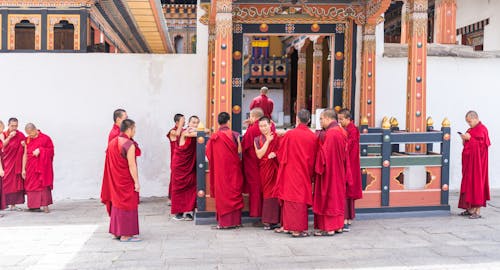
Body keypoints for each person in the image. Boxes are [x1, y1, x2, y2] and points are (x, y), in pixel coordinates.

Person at [274, 109, 317, 237]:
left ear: (297, 119)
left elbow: (280, 154)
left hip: (290, 171)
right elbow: (315, 156)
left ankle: (291, 228)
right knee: (300, 198)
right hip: (304, 171)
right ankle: (294, 228)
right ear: (309, 120)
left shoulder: (290, 134)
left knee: (290, 198)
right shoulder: (312, 136)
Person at [101, 119, 141, 242]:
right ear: (129, 129)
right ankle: (126, 235)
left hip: (116, 179)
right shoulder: (128, 144)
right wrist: (136, 182)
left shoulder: (113, 142)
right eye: (134, 129)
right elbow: (132, 165)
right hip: (126, 180)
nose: (135, 131)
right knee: (128, 203)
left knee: (117, 204)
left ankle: (116, 232)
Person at [206, 112, 244, 229]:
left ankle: (224, 223)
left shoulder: (214, 137)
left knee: (223, 194)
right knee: (234, 192)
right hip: (234, 170)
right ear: (229, 121)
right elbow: (239, 152)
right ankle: (236, 221)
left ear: (218, 122)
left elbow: (208, 154)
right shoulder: (235, 135)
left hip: (221, 172)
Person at [313, 109, 348, 236]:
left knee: (329, 198)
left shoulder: (331, 133)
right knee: (337, 197)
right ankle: (338, 226)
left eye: (321, 119)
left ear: (328, 119)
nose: (320, 121)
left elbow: (324, 155)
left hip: (330, 172)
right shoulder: (341, 131)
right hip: (339, 170)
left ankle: (329, 228)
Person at [458, 111, 490, 219]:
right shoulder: (470, 130)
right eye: (467, 122)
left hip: (478, 164)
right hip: (470, 163)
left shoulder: (482, 130)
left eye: (470, 121)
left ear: (475, 118)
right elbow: (467, 144)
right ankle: (470, 209)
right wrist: (464, 139)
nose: (469, 124)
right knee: (468, 183)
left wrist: (470, 139)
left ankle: (477, 211)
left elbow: (481, 146)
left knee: (477, 184)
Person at [170, 116, 200, 221]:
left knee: (192, 185)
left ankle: (189, 211)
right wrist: (200, 129)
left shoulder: (195, 131)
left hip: (190, 164)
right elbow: (198, 133)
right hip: (180, 164)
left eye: (197, 123)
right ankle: (179, 213)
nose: (195, 124)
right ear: (189, 123)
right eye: (193, 122)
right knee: (179, 188)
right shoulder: (185, 132)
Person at [254, 116, 281, 230]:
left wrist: (276, 154)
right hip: (265, 169)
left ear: (270, 125)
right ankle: (268, 221)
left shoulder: (278, 136)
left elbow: (284, 150)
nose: (263, 128)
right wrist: (268, 141)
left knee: (277, 192)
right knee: (267, 193)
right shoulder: (257, 139)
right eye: (261, 126)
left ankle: (278, 220)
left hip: (276, 168)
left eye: (265, 125)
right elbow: (259, 155)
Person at [338, 109, 362, 231]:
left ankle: (346, 220)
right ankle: (348, 218)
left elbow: (347, 146)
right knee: (347, 193)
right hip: (349, 164)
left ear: (348, 119)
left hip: (350, 166)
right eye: (339, 119)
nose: (340, 121)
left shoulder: (352, 130)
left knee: (347, 192)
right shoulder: (349, 129)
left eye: (342, 119)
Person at [21, 123, 54, 213]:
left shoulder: (45, 138)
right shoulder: (28, 139)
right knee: (31, 186)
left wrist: (41, 150)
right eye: (28, 134)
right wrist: (23, 169)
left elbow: (51, 151)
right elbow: (25, 154)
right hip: (30, 167)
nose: (30, 135)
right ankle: (33, 206)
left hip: (42, 168)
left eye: (31, 133)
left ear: (35, 129)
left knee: (42, 184)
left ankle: (45, 205)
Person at [241, 108, 265, 219]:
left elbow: (243, 145)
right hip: (265, 163)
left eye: (250, 116)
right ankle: (267, 214)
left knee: (255, 188)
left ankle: (256, 213)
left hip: (252, 163)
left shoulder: (252, 129)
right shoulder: (268, 126)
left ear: (254, 117)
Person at [0, 118, 26, 211]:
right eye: (12, 126)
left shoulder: (20, 135)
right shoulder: (3, 134)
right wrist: (10, 137)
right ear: (8, 125)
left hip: (16, 164)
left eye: (16, 126)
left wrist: (24, 145)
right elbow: (2, 145)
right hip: (5, 162)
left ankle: (13, 205)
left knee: (14, 184)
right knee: (4, 183)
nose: (14, 128)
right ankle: (3, 204)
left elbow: (26, 149)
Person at [167, 114, 185, 205]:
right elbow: (178, 134)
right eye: (182, 121)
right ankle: (171, 198)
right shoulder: (172, 131)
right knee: (174, 177)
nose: (184, 122)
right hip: (175, 158)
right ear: (177, 122)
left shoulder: (183, 131)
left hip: (182, 158)